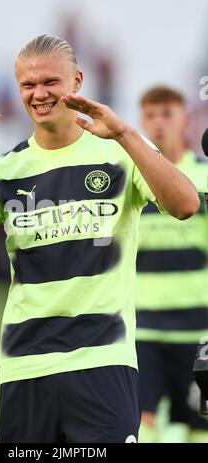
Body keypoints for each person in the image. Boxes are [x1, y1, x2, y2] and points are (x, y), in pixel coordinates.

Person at [0, 35, 199, 443]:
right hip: (25, 368)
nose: (39, 94)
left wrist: (127, 134)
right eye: (28, 84)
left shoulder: (118, 150)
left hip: (103, 362)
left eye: (50, 82)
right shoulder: (1, 170)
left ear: (76, 81)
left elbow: (185, 204)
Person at [136, 86, 208, 443]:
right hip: (143, 330)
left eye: (167, 114)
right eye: (150, 115)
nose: (158, 124)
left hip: (198, 330)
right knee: (140, 427)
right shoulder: (134, 178)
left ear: (185, 119)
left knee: (199, 428)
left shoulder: (204, 177)